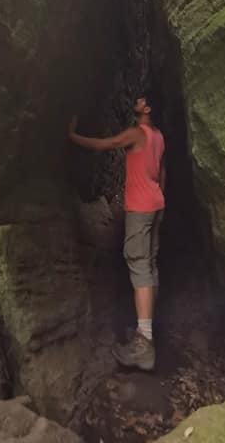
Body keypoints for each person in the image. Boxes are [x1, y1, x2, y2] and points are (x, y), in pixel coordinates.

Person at [68, 96, 165, 371]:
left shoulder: (137, 133)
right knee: (149, 263)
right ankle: (145, 328)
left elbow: (106, 144)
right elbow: (162, 171)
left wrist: (73, 136)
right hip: (157, 204)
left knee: (138, 263)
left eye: (141, 100)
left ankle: (144, 343)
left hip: (141, 206)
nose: (135, 101)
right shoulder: (159, 137)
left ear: (146, 109)